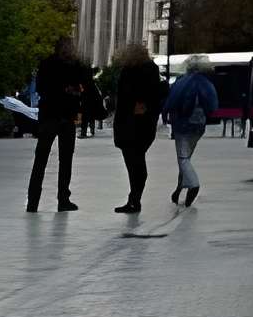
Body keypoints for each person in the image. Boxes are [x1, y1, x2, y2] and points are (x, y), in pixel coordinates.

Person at [25, 35, 98, 213]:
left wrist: (62, 91)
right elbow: (86, 86)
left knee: (41, 159)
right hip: (66, 117)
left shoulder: (47, 64)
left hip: (49, 116)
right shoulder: (75, 66)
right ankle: (63, 199)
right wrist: (72, 91)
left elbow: (41, 88)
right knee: (65, 160)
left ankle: (33, 201)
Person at [109, 41, 165, 215]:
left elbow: (129, 96)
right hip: (142, 124)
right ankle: (134, 198)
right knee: (137, 162)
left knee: (134, 163)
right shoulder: (149, 69)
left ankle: (134, 199)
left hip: (131, 124)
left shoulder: (132, 71)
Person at [164, 56, 220, 207]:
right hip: (199, 124)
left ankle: (193, 185)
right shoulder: (206, 83)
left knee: (183, 158)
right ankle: (179, 189)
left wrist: (166, 115)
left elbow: (171, 101)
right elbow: (213, 105)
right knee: (186, 158)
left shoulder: (183, 81)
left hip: (183, 123)